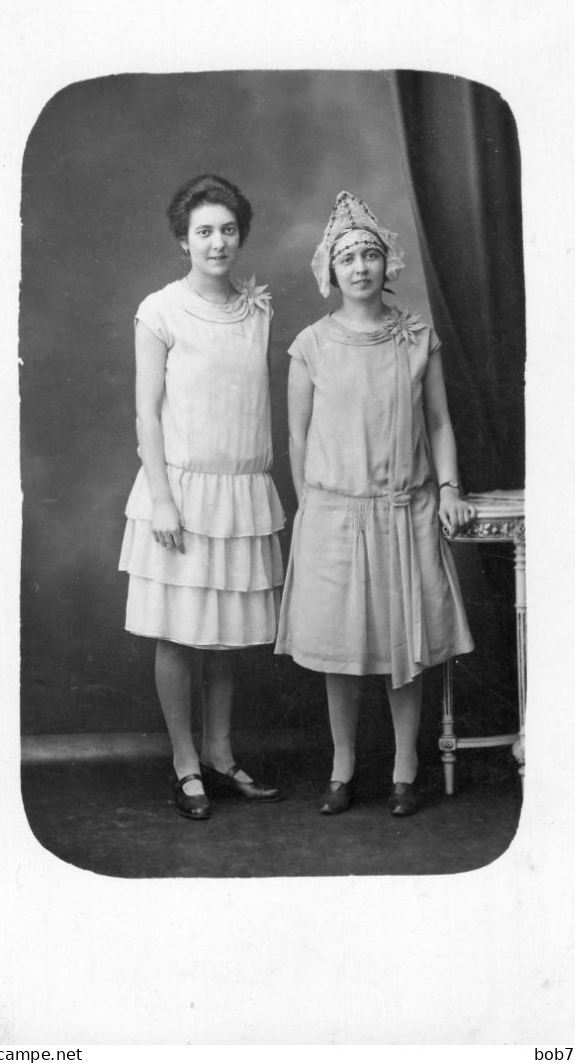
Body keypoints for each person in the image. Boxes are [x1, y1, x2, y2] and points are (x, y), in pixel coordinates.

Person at [275, 191, 476, 816]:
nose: (360, 267)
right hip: (335, 514)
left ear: (387, 263)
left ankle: (405, 765)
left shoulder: (416, 337)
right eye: (347, 258)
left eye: (370, 254)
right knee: (342, 646)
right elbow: (297, 437)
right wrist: (311, 509)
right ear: (329, 272)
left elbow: (439, 423)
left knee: (404, 645)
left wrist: (448, 488)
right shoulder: (310, 344)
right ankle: (342, 765)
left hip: (404, 509)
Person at [119, 174, 285, 820]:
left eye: (227, 230)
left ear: (239, 235)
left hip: (239, 491)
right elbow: (147, 414)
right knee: (179, 637)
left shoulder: (257, 309)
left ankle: (220, 755)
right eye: (203, 232)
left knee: (225, 637)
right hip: (180, 492)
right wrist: (162, 499)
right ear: (183, 240)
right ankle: (184, 764)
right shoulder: (158, 310)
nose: (217, 242)